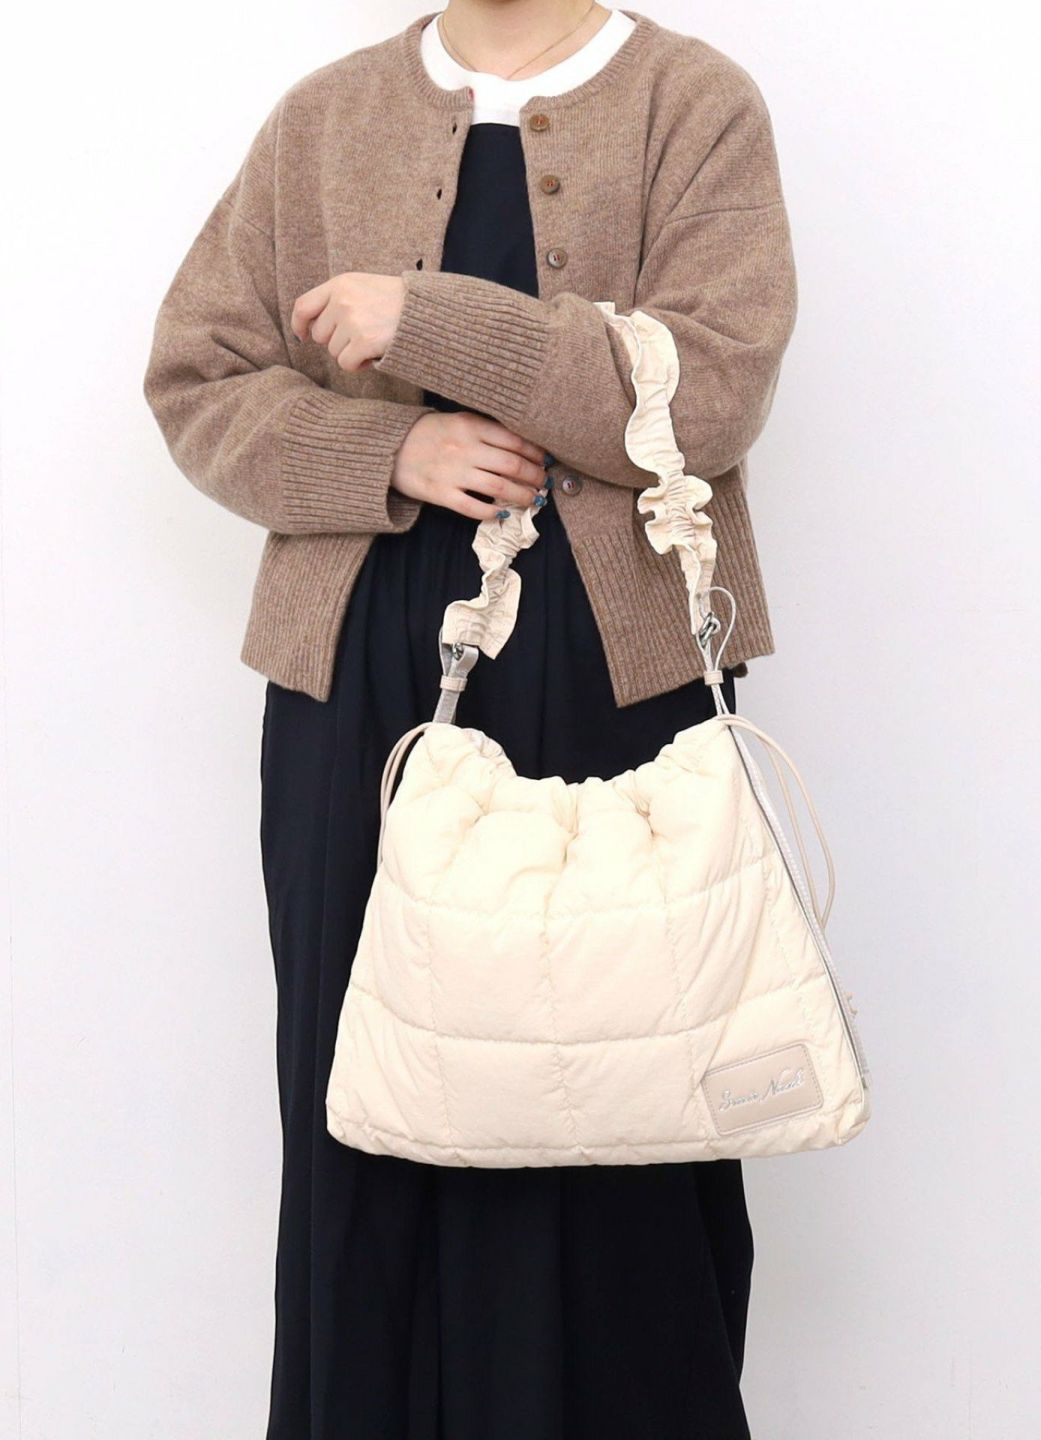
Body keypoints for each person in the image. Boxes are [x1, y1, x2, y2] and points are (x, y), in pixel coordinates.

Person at [142, 3, 798, 1436]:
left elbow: (713, 392)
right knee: (369, 1089)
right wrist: (389, 445)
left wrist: (429, 319)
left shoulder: (691, 100)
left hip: (617, 678)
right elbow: (196, 380)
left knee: (627, 1084)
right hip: (360, 677)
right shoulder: (326, 113)